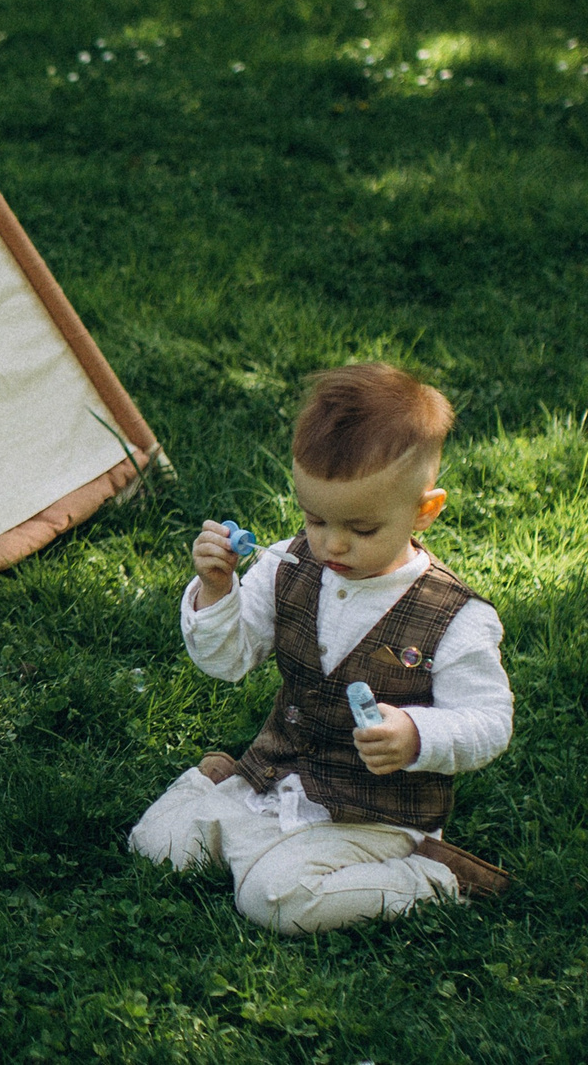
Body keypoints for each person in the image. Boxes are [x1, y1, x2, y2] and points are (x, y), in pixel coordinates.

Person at [127, 363, 515, 934]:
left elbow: (491, 721)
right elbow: (226, 661)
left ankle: (434, 877)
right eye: (315, 519)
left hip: (372, 816)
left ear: (424, 511)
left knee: (277, 901)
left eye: (361, 529)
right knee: (153, 844)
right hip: (275, 781)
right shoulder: (289, 566)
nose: (333, 543)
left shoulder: (455, 616)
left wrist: (416, 735)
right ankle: (229, 794)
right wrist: (216, 591)